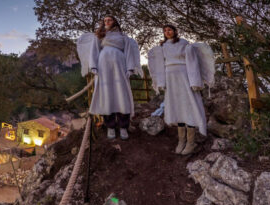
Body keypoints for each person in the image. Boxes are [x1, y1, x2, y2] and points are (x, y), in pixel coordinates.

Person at [148, 24, 215, 155]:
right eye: (165, 30)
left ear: (175, 31)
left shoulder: (184, 44)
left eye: (170, 29)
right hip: (170, 78)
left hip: (184, 76)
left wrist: (194, 81)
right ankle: (181, 140)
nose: (167, 32)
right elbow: (159, 65)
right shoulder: (162, 47)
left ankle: (191, 142)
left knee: (188, 106)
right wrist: (161, 82)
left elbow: (192, 61)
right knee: (177, 107)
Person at [77, 16, 142, 140]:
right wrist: (94, 66)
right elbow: (94, 51)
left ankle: (123, 127)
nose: (107, 21)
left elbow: (128, 51)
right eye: (105, 20)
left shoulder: (123, 37)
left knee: (121, 95)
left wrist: (129, 68)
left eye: (109, 20)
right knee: (106, 95)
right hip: (104, 66)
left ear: (115, 21)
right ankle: (110, 127)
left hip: (120, 65)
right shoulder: (99, 35)